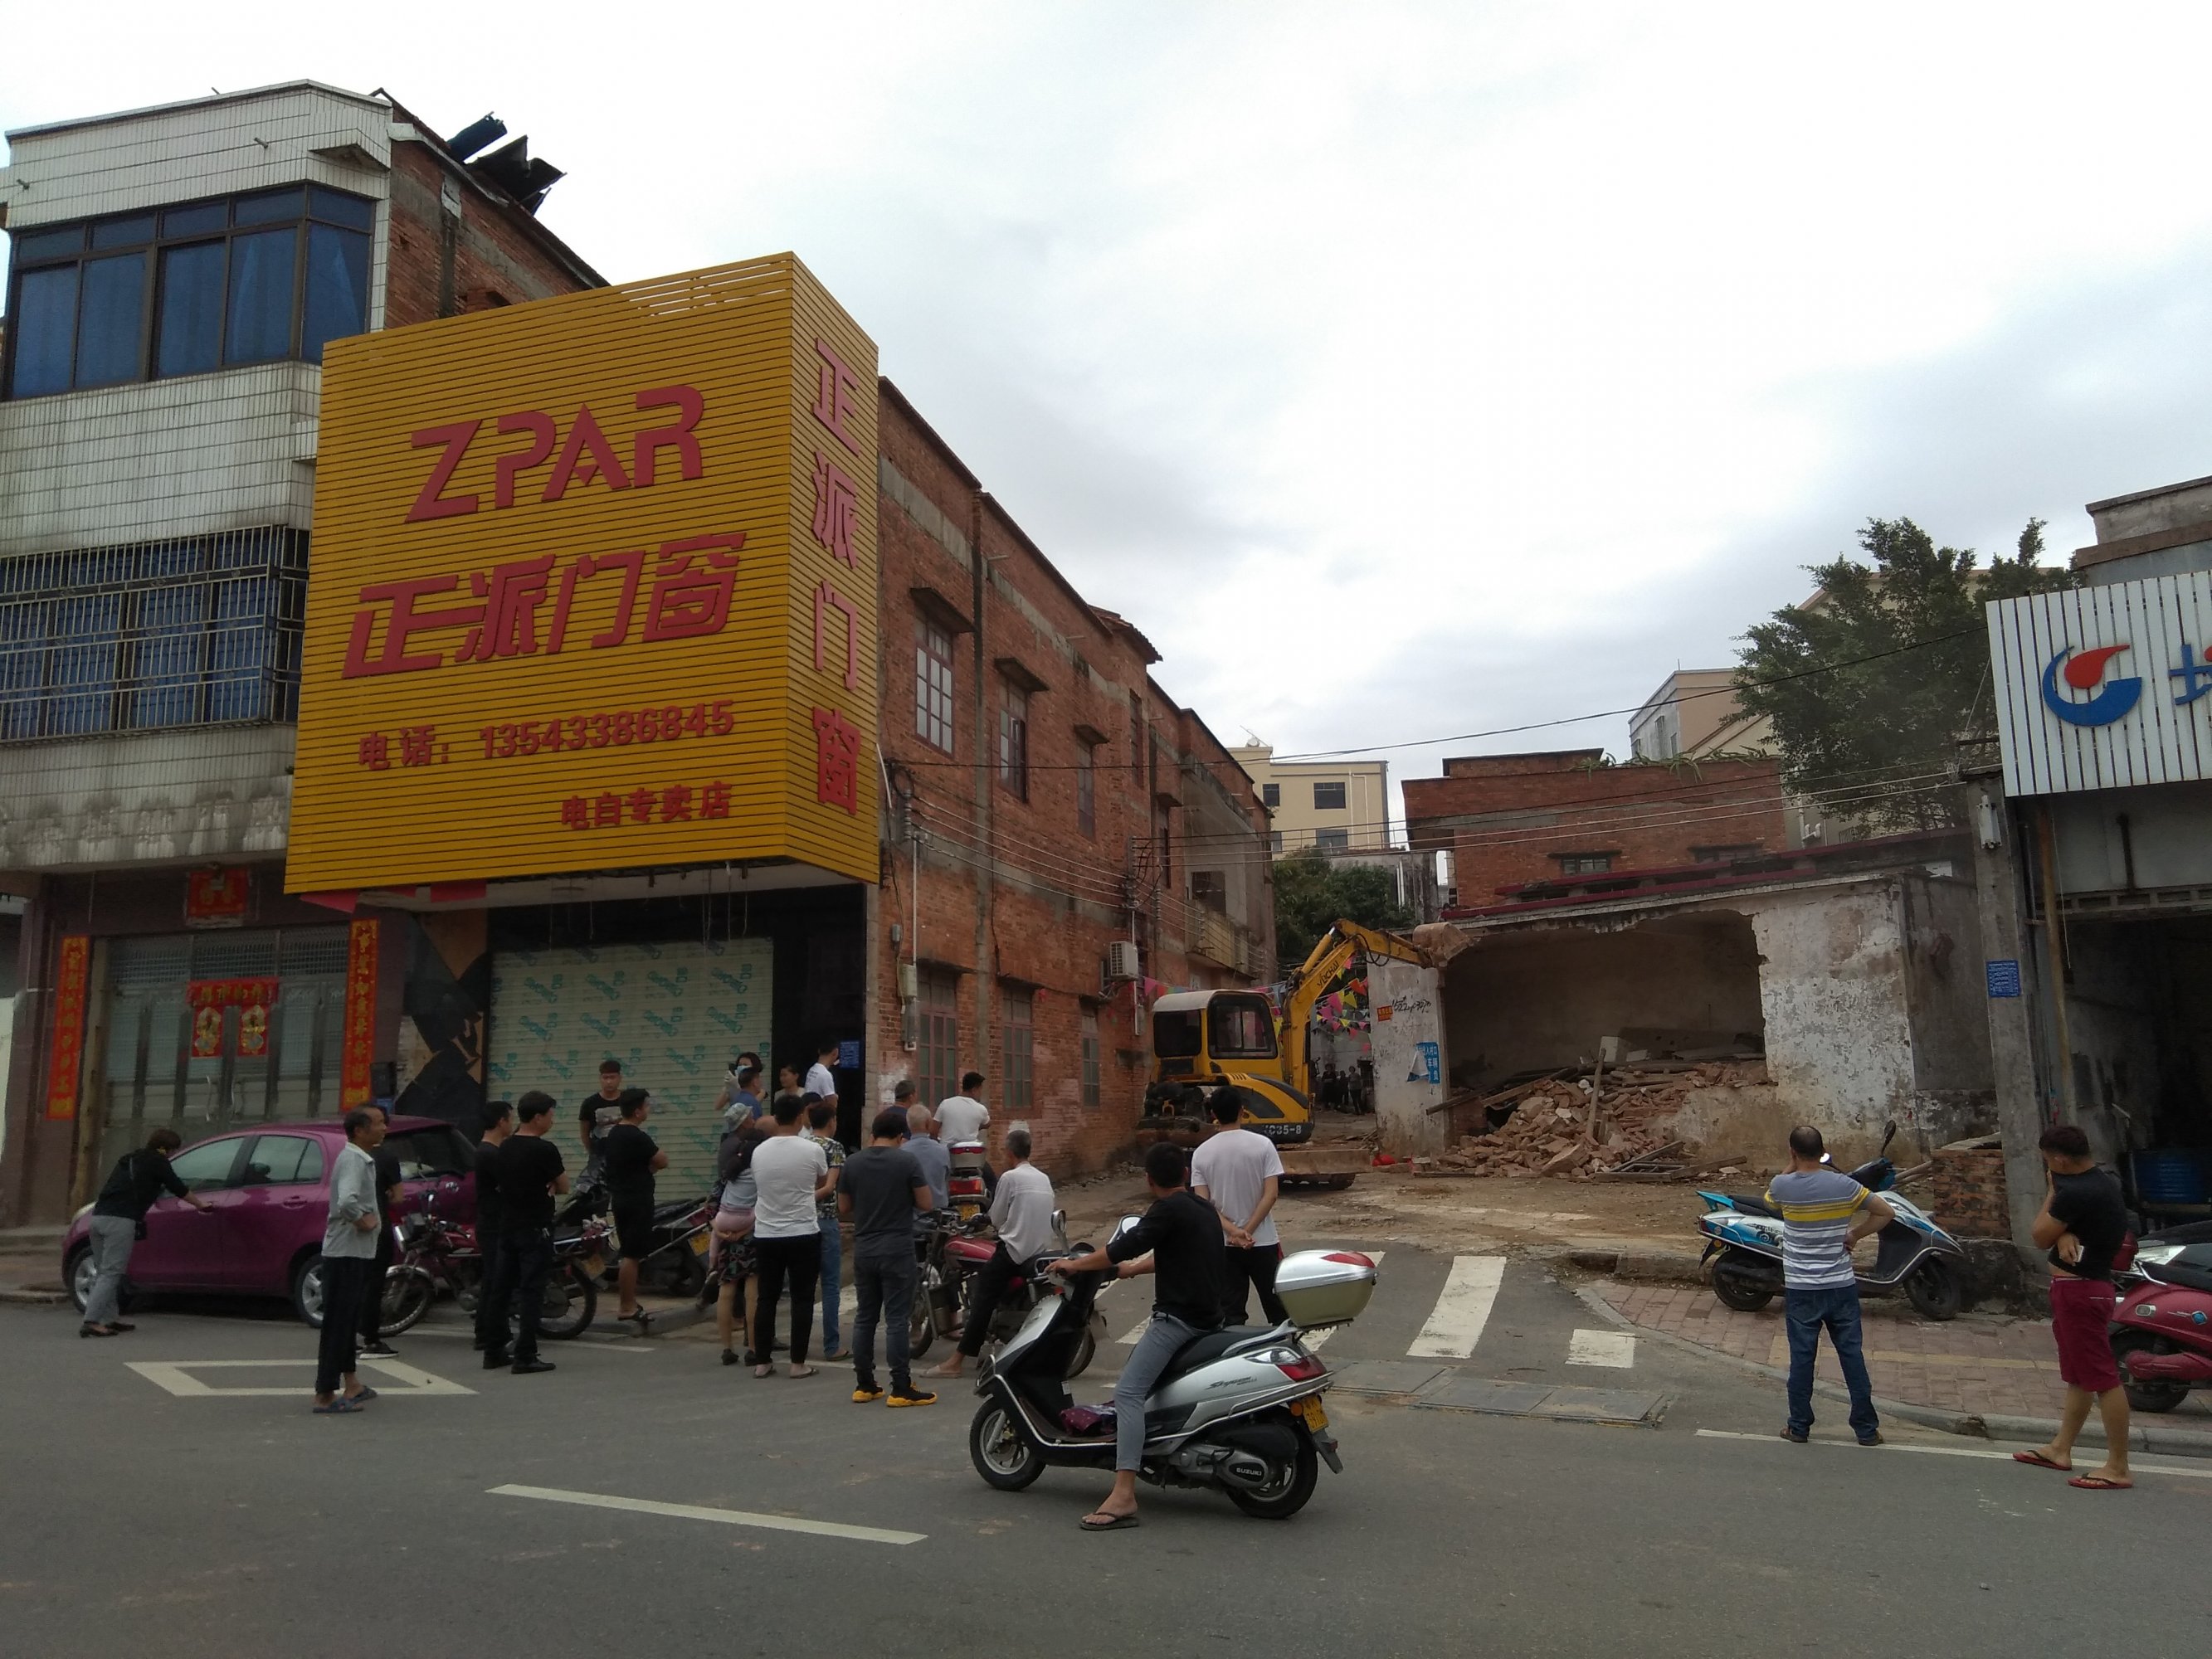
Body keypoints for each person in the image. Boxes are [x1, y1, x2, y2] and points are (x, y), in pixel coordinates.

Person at [1050, 1141, 1228, 1530]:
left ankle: (1124, 1494)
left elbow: (1119, 1248)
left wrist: (1076, 1265)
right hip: (1210, 1318)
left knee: (1128, 1393)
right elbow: (1175, 1253)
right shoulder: (1202, 1208)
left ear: (1149, 1180)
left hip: (1179, 1322)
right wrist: (1131, 1271)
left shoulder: (1166, 1210)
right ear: (1185, 1174)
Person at [2015, 1124, 2135, 1490]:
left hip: (2081, 1290)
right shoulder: (2101, 1182)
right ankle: (2060, 1448)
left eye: (2048, 1162)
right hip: (2084, 1288)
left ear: (2060, 1160)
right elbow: (2071, 1228)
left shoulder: (2074, 1192)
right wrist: (2064, 1232)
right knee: (2080, 1376)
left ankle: (2118, 1466)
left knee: (2103, 1378)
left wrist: (2053, 1191)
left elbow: (2038, 1235)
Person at [1766, 1125, 1891, 1447]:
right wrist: (1855, 1235)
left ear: (1793, 1152)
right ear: (1823, 1151)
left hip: (1802, 1289)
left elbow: (1770, 1203)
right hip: (1841, 1286)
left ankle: (1799, 1426)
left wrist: (1791, 1165)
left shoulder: (1782, 1186)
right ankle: (1866, 1429)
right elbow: (1885, 1212)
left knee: (1802, 1359)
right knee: (1851, 1356)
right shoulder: (1845, 1185)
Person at [929, 1126, 1055, 1379]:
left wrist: (985, 1221)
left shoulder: (1010, 1178)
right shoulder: (1043, 1178)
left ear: (1009, 1153)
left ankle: (956, 1361)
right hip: (1039, 1252)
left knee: (982, 1298)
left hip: (1015, 1252)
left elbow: (996, 1218)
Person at [840, 1108, 938, 1406]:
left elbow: (843, 1207)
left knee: (865, 1316)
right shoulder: (907, 1161)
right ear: (900, 1136)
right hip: (897, 1247)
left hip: (865, 1248)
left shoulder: (852, 1163)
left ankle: (864, 1384)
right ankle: (900, 1387)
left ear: (873, 1134)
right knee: (896, 1319)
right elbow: (926, 1203)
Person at [81, 1126, 211, 1336]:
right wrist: (200, 1204)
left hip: (97, 1218)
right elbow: (177, 1187)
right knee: (112, 1272)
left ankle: (109, 1318)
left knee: (105, 1271)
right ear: (166, 1149)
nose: (173, 1154)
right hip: (120, 1221)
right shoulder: (157, 1162)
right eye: (173, 1150)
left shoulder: (129, 1159)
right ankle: (92, 1321)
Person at [747, 1093, 836, 1378]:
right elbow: (821, 1181)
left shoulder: (759, 1151)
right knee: (802, 1298)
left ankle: (762, 1361)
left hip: (766, 1232)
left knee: (766, 1297)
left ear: (776, 1118)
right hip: (803, 1231)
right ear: (801, 1117)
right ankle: (798, 1363)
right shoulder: (812, 1150)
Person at [482, 1091, 568, 1376]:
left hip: (507, 1225)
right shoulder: (544, 1150)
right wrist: (549, 1185)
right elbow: (564, 1184)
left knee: (502, 1289)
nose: (552, 1121)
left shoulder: (504, 1147)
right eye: (551, 1115)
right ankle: (525, 1354)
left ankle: (494, 1350)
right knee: (532, 1290)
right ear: (538, 1117)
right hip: (535, 1227)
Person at [1191, 1088, 1290, 1327]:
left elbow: (1204, 1205)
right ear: (1242, 1111)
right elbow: (1271, 1194)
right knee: (1279, 1309)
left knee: (1231, 1314)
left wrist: (1234, 1232)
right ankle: (1284, 1348)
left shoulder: (1201, 1153)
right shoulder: (1263, 1146)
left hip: (1224, 1244)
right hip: (1262, 1241)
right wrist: (1248, 1231)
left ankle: (1233, 1350)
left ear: (1214, 1114)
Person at [314, 1108, 387, 1413]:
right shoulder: (354, 1160)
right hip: (345, 1253)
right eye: (379, 1123)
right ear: (359, 1130)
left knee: (347, 1321)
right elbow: (346, 1201)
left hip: (354, 1252)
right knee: (338, 1324)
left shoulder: (360, 1158)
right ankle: (325, 1394)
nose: (384, 1128)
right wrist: (362, 1220)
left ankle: (352, 1382)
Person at [604, 1088, 669, 1329]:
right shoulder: (636, 1136)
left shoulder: (614, 1134)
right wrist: (649, 1169)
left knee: (630, 1253)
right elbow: (662, 1160)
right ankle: (626, 1306)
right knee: (631, 1255)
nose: (648, 1110)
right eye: (646, 1106)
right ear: (638, 1111)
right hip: (636, 1201)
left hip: (621, 1198)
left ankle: (628, 1303)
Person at [711, 1117, 765, 1367]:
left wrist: (720, 1232)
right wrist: (744, 1231)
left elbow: (711, 1206)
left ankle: (726, 1348)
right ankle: (753, 1348)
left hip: (725, 1237)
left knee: (726, 1291)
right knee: (753, 1294)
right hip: (752, 1238)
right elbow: (764, 1208)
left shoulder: (728, 1173)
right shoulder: (761, 1175)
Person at [357, 1103, 405, 1360]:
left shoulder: (349, 1155)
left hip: (352, 1229)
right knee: (374, 1285)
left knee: (356, 1282)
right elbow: (399, 1197)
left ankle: (349, 1335)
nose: (384, 1128)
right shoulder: (386, 1158)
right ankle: (371, 1339)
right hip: (378, 1226)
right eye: (381, 1123)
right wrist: (385, 1194)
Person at [803, 1099, 849, 1360]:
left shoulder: (801, 1144)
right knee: (830, 1284)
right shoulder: (834, 1147)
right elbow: (830, 1187)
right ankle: (832, 1346)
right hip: (826, 1219)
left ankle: (800, 1344)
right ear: (831, 1122)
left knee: (804, 1284)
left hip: (801, 1221)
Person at [472, 1100, 514, 1351]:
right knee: (496, 1280)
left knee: (493, 1279)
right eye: (510, 1119)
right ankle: (490, 1333)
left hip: (492, 1221)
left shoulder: (490, 1151)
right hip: (493, 1223)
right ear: (501, 1121)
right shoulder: (489, 1153)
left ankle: (485, 1331)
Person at [904, 1102, 952, 1232]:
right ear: (928, 1124)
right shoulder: (942, 1150)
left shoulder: (902, 1152)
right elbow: (946, 1179)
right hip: (939, 1218)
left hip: (913, 1221)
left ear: (909, 1125)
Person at [934, 1073, 990, 1146]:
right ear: (974, 1090)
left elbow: (933, 1131)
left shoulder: (945, 1104)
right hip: (971, 1150)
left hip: (947, 1149)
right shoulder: (981, 1109)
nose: (981, 1093)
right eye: (980, 1090)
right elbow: (987, 1124)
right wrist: (975, 1127)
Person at [719, 1060, 764, 1130]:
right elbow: (755, 1127)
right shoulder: (752, 1102)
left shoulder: (736, 1099)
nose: (761, 1082)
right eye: (759, 1079)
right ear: (755, 1082)